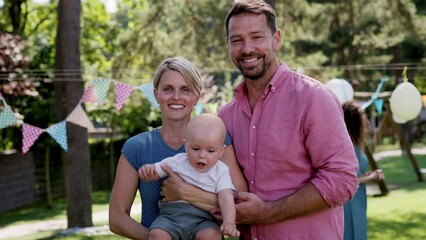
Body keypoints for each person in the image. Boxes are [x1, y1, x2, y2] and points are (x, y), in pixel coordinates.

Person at [214, 1, 359, 239]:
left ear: (276, 39)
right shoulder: (225, 116)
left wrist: (268, 213)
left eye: (257, 37)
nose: (247, 48)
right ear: (228, 45)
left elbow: (342, 180)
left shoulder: (313, 98)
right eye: (237, 40)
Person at [108, 56, 247, 240]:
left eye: (185, 89)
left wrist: (186, 193)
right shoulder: (137, 147)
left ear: (196, 96)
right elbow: (117, 218)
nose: (176, 96)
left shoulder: (217, 142)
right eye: (167, 89)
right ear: (156, 94)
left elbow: (242, 205)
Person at [138, 113, 240, 239]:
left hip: (203, 220)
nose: (202, 155)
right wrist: (149, 172)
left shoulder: (221, 171)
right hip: (171, 217)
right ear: (186, 145)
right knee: (157, 234)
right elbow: (157, 170)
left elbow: (226, 198)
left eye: (210, 151)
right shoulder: (178, 161)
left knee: (212, 235)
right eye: (195, 148)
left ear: (221, 151)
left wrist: (229, 222)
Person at [342, 101, 385, 240]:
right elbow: (348, 180)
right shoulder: (345, 146)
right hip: (349, 202)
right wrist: (372, 176)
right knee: (350, 232)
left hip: (358, 198)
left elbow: (355, 173)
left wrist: (367, 175)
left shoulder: (353, 144)